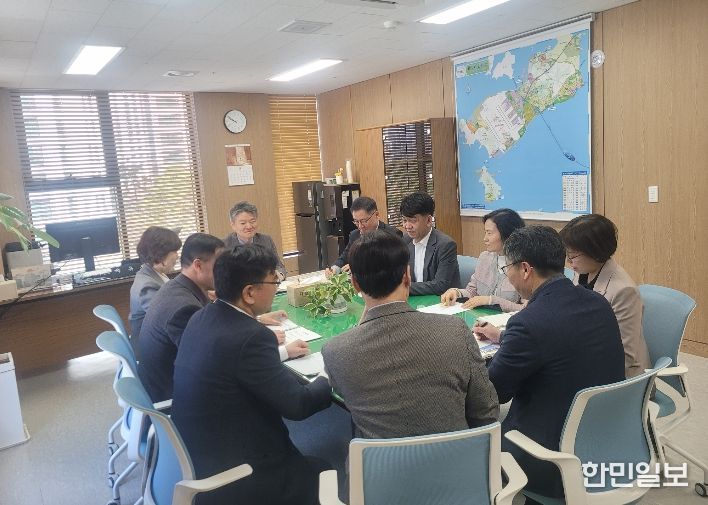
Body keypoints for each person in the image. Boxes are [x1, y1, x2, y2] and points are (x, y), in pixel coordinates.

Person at [171, 243, 332, 505]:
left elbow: (237, 365)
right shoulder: (251, 337)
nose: (277, 287)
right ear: (249, 293)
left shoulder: (202, 316)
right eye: (274, 281)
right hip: (238, 475)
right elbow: (299, 405)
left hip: (201, 453)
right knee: (324, 470)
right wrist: (328, 372)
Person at [474, 226, 624, 499]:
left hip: (550, 459)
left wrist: (469, 364)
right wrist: (505, 339)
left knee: (471, 429)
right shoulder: (598, 303)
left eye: (507, 268)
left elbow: (493, 393)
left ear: (525, 269)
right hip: (606, 441)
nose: (507, 275)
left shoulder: (528, 323)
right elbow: (560, 340)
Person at [322, 230, 498, 441]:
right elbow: (487, 412)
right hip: (456, 457)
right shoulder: (456, 331)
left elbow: (349, 398)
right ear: (407, 276)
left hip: (380, 462)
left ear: (354, 284)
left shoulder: (335, 352)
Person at [560, 214, 651, 378]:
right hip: (586, 356)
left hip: (621, 377)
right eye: (567, 254)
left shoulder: (624, 291)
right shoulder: (583, 272)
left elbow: (624, 356)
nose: (569, 261)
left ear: (595, 252)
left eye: (573, 256)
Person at [137, 233, 225, 402]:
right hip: (172, 396)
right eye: (220, 265)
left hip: (168, 381)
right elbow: (211, 361)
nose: (224, 271)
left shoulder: (177, 286)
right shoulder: (184, 308)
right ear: (198, 265)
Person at [441, 208, 525, 311]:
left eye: (489, 233)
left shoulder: (524, 266)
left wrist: (491, 300)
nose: (485, 239)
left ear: (507, 234)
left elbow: (527, 309)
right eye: (485, 232)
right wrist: (457, 292)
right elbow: (473, 291)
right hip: (480, 317)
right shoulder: (485, 258)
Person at [128, 226, 182, 355]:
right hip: (152, 350)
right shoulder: (147, 286)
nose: (177, 256)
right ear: (161, 254)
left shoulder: (152, 274)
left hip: (154, 341)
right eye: (175, 251)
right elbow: (167, 321)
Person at [400, 192, 460, 295]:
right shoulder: (405, 240)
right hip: (415, 299)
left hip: (442, 300)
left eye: (413, 221)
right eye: (405, 220)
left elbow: (440, 286)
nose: (407, 226)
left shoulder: (445, 245)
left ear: (428, 220)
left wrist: (402, 287)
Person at [325, 196, 401, 277]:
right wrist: (335, 268)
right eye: (356, 222)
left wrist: (360, 267)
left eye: (364, 221)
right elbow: (345, 257)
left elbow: (392, 264)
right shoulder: (355, 235)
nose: (360, 226)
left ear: (377, 215)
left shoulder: (392, 235)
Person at [224, 201, 286, 279]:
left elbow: (278, 266)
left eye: (252, 221)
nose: (249, 226)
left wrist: (279, 276)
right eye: (243, 223)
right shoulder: (224, 246)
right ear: (233, 225)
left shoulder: (266, 240)